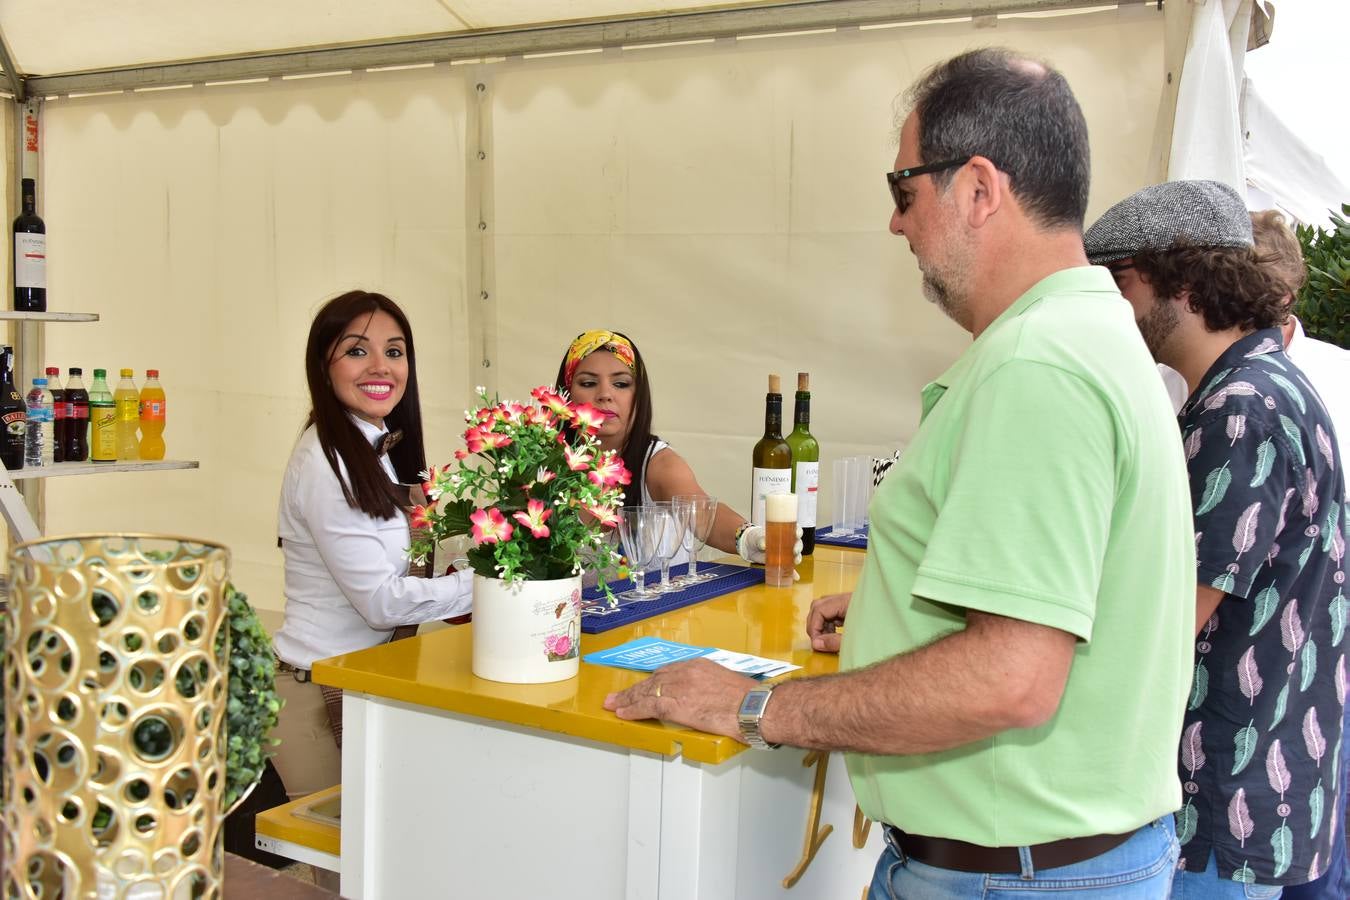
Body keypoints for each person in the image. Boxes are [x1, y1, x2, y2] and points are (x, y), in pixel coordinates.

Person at [606, 47, 1196, 898]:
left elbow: (1011, 678)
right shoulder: (1088, 334)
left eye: (904, 191)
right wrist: (896, 611)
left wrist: (752, 706)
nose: (896, 224)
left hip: (1010, 876)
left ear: (980, 188)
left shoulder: (1037, 367)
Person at [1085, 181, 1347, 898]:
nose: (1118, 305)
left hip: (1221, 807)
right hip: (1255, 789)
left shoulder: (1240, 413)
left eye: (1122, 280)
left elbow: (1164, 620)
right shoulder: (1264, 385)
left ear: (1184, 280)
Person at [272, 290, 473, 804]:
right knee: (339, 874)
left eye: (395, 351)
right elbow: (382, 603)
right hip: (317, 693)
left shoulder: (379, 448)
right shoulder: (327, 462)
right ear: (325, 365)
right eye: (357, 351)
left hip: (366, 681)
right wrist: (494, 585)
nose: (380, 367)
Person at [554, 328, 793, 566]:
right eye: (588, 383)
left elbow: (701, 512)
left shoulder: (659, 463)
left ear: (639, 395)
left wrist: (749, 538)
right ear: (566, 394)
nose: (605, 394)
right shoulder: (543, 463)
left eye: (620, 383)